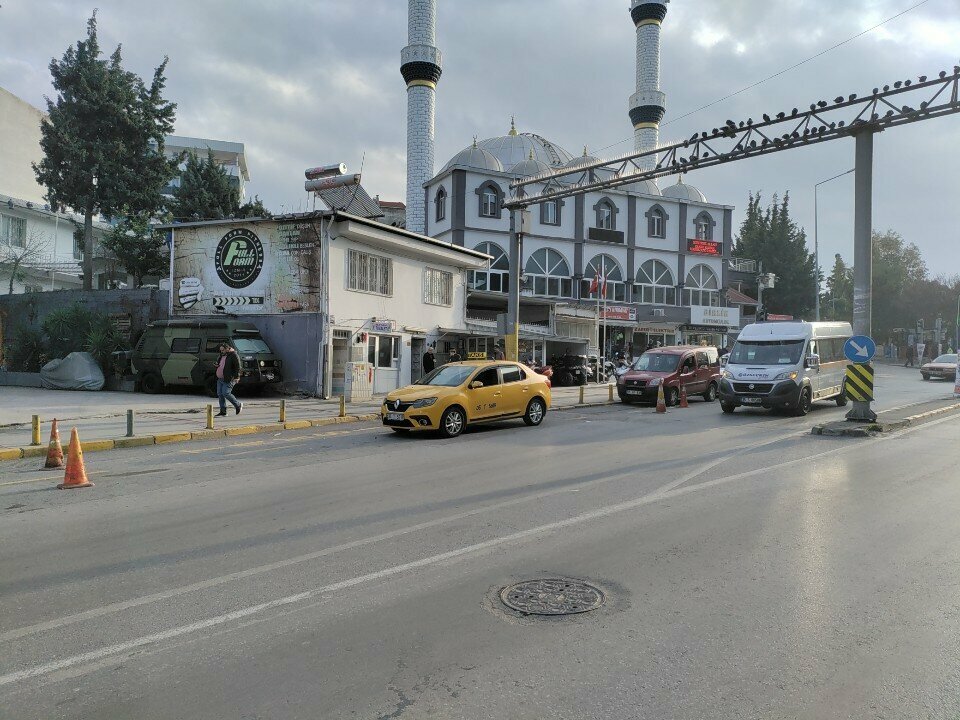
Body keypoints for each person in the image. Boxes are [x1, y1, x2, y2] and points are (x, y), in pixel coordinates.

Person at [215, 342, 242, 416]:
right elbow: (220, 363)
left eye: (223, 350)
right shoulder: (222, 355)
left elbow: (238, 367)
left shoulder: (233, 355)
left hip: (229, 378)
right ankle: (223, 411)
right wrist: (216, 365)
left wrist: (237, 377)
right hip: (220, 378)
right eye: (220, 350)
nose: (221, 352)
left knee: (226, 393)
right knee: (220, 394)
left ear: (227, 349)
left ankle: (238, 405)